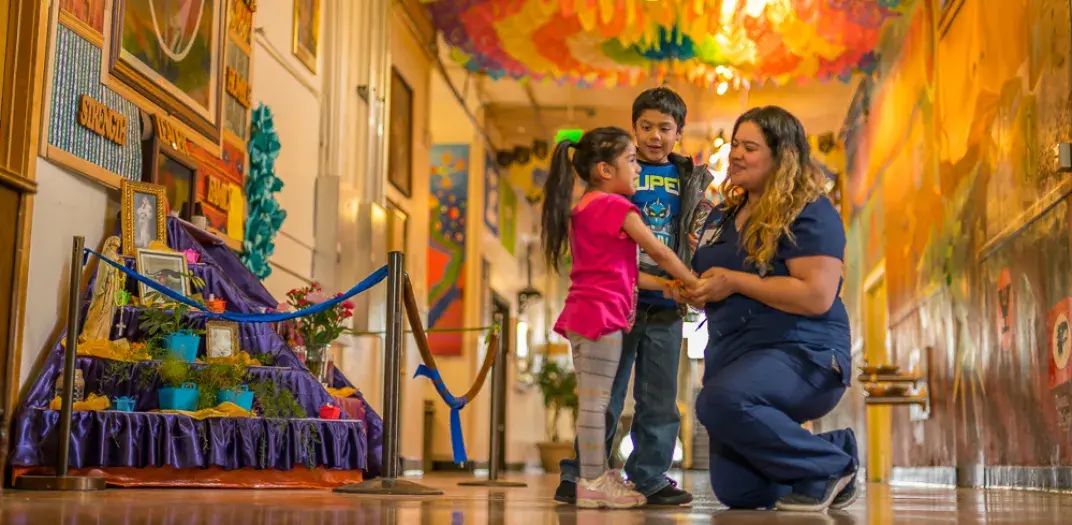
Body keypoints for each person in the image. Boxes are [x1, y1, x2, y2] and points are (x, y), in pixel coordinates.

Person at [686, 106, 859, 512]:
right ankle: (830, 451)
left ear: (782, 158)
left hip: (803, 352)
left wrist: (733, 280)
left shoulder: (810, 211)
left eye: (750, 147)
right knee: (741, 492)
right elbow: (708, 273)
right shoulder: (721, 216)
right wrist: (690, 290)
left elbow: (817, 296)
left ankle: (831, 465)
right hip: (734, 355)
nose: (736, 155)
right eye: (734, 145)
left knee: (716, 402)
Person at [556, 87, 712, 507]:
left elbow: (686, 235)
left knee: (659, 397)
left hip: (665, 299)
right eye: (646, 127)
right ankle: (584, 473)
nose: (654, 136)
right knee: (604, 394)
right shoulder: (617, 170)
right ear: (633, 129)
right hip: (620, 300)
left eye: (665, 128)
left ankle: (649, 476)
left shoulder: (689, 176)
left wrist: (690, 270)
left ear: (679, 132)